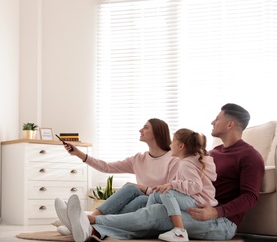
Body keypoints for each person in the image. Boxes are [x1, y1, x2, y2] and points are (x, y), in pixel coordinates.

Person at [56, 103, 265, 241]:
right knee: (144, 201)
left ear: (230, 124)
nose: (212, 121)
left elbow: (250, 197)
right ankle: (90, 229)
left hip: (221, 222)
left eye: (217, 118)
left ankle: (89, 221)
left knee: (155, 213)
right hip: (196, 205)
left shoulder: (250, 156)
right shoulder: (210, 153)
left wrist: (215, 212)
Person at [55, 118, 180, 235]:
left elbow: (169, 192)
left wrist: (144, 188)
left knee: (138, 196)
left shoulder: (173, 160)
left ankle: (85, 222)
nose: (140, 130)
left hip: (157, 205)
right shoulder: (138, 159)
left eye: (145, 127)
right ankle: (87, 222)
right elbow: (106, 167)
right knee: (132, 190)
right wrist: (78, 153)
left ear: (157, 133)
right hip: (141, 201)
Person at [146, 129, 217, 241]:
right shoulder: (191, 161)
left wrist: (172, 185)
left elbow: (196, 186)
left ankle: (179, 231)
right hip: (195, 199)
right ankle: (147, 222)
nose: (170, 144)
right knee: (156, 194)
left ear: (181, 146)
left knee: (166, 192)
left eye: (173, 141)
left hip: (199, 202)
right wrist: (169, 184)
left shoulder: (186, 164)